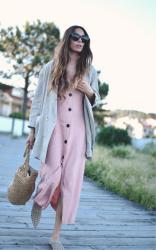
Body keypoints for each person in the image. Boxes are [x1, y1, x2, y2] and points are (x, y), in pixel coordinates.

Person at [27, 25, 101, 249]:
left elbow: (94, 99)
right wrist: (32, 131)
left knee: (70, 183)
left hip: (78, 131)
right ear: (68, 39)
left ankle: (55, 236)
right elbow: (38, 100)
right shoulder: (50, 68)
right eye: (76, 37)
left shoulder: (90, 70)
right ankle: (40, 200)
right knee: (50, 176)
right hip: (53, 129)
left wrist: (89, 90)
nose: (80, 41)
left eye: (84, 38)